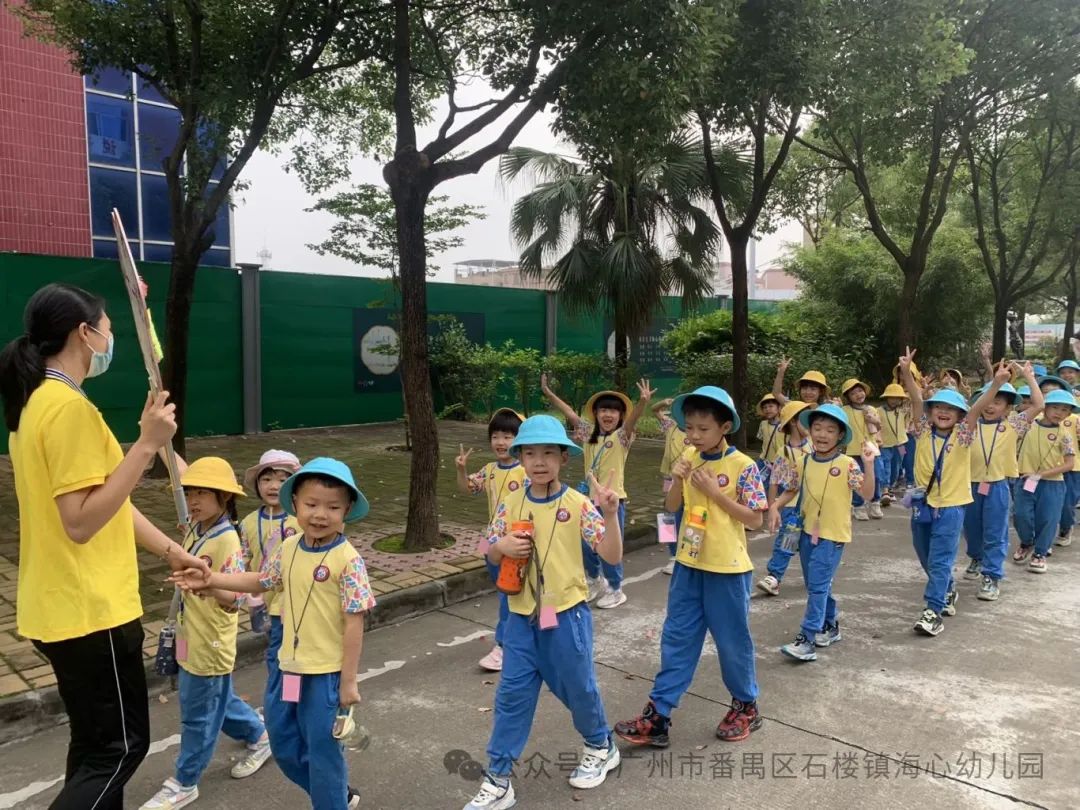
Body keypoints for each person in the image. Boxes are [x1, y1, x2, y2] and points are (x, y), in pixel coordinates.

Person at [0, 283, 211, 809]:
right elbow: (80, 522)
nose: (111, 338)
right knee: (119, 751)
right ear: (84, 334)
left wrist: (169, 549)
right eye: (109, 329)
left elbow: (108, 498)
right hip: (88, 610)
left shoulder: (40, 404)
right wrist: (146, 445)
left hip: (63, 607)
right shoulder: (66, 410)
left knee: (94, 750)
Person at [172, 457, 374, 810]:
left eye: (332, 507)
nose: (320, 515)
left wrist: (348, 681)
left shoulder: (348, 560)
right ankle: (335, 795)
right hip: (288, 670)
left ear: (347, 509)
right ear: (294, 504)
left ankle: (331, 800)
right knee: (283, 743)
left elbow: (355, 622)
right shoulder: (289, 548)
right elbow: (261, 581)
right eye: (311, 504)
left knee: (323, 750)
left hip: (324, 676)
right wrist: (212, 579)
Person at [463, 416, 624, 810]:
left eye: (548, 453)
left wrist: (610, 514)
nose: (538, 461)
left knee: (579, 689)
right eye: (530, 453)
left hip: (567, 618)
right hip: (519, 619)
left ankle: (600, 745)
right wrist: (502, 546)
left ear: (562, 459)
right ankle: (498, 778)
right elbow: (488, 548)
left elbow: (611, 555)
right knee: (512, 698)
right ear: (519, 457)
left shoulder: (577, 503)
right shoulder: (511, 500)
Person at [614, 386, 767, 749]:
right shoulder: (688, 455)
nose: (694, 435)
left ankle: (746, 706)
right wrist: (680, 477)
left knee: (732, 643)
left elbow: (756, 521)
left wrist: (715, 493)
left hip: (727, 569)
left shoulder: (743, 466)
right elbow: (670, 506)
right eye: (690, 428)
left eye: (703, 428)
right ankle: (658, 716)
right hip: (687, 564)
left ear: (724, 427)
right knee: (677, 639)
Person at [142, 457, 271, 810]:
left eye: (203, 493)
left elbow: (235, 598)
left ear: (224, 497)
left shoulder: (226, 539)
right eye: (190, 492)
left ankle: (185, 782)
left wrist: (206, 584)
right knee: (217, 698)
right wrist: (162, 442)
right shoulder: (196, 527)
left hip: (209, 642)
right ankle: (260, 736)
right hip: (190, 635)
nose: (194, 500)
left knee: (198, 715)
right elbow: (179, 465)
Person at [898, 350, 1009, 637]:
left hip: (951, 508)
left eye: (950, 409)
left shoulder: (963, 435)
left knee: (940, 560)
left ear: (960, 415)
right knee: (924, 556)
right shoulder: (922, 430)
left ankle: (933, 611)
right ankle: (947, 588)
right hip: (922, 505)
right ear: (931, 412)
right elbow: (915, 400)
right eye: (938, 407)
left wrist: (995, 384)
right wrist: (908, 373)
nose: (943, 412)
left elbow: (976, 409)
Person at [768, 405, 875, 661]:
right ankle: (830, 625)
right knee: (815, 584)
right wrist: (774, 506)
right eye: (817, 428)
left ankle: (807, 638)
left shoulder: (848, 464)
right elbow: (792, 489)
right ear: (809, 430)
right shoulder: (804, 461)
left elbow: (867, 494)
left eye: (830, 429)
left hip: (833, 536)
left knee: (816, 586)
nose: (822, 434)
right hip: (805, 533)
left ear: (840, 435)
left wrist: (869, 465)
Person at [541, 374, 654, 609]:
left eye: (614, 411)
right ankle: (595, 580)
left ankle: (616, 588)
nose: (608, 415)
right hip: (587, 500)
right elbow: (571, 414)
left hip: (612, 502)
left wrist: (643, 402)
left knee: (610, 545)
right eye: (603, 410)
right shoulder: (588, 434)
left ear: (620, 415)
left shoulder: (621, 437)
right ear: (596, 413)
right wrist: (550, 394)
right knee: (585, 544)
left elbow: (633, 421)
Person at [961, 367, 1041, 603]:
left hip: (996, 486)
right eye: (988, 400)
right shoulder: (970, 423)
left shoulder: (1013, 425)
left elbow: (1038, 405)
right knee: (972, 529)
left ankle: (991, 576)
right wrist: (994, 384)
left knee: (996, 532)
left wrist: (1029, 377)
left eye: (998, 402)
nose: (991, 405)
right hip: (969, 485)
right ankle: (976, 557)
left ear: (1008, 408)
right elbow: (975, 410)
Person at [456, 408, 527, 671]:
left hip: (516, 544)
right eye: (496, 436)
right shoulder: (488, 470)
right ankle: (522, 638)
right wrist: (462, 470)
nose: (500, 442)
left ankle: (504, 646)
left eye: (507, 436)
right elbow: (467, 489)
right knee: (506, 593)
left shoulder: (525, 471)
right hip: (492, 543)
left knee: (508, 597)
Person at [239, 450, 302, 695]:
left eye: (282, 479)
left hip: (293, 603)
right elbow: (243, 558)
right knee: (281, 653)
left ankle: (284, 701)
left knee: (282, 656)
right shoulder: (248, 522)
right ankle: (290, 698)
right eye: (266, 479)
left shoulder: (301, 521)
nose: (274, 486)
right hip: (264, 601)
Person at [1013, 390, 1077, 573]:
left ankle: (1039, 553)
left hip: (1053, 484)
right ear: (1045, 407)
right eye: (1055, 407)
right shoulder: (1028, 425)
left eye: (1064, 410)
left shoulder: (1065, 434)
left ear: (1069, 413)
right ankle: (1026, 542)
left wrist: (1042, 474)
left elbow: (1069, 464)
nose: (1059, 412)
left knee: (1048, 520)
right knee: (1020, 516)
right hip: (1025, 480)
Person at [756, 400, 811, 597]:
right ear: (795, 422)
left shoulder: (816, 445)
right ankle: (775, 576)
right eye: (806, 420)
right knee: (788, 541)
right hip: (792, 507)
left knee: (811, 544)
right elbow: (774, 481)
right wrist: (773, 508)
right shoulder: (784, 452)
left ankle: (814, 575)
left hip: (815, 507)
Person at [653, 397, 691, 575]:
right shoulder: (670, 425)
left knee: (688, 516)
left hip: (690, 481)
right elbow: (655, 410)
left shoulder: (695, 432)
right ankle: (672, 555)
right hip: (670, 477)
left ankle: (687, 554)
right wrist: (665, 402)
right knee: (667, 516)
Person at [840, 379, 884, 521]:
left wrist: (874, 421)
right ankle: (858, 506)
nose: (858, 394)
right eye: (853, 393)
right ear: (848, 397)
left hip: (871, 449)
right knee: (856, 479)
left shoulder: (872, 409)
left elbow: (878, 428)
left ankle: (875, 503)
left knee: (876, 476)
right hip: (853, 450)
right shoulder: (844, 411)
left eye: (860, 391)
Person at [878, 383, 910, 504]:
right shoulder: (878, 411)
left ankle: (890, 486)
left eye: (897, 397)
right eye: (891, 397)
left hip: (901, 443)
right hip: (885, 444)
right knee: (886, 465)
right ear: (886, 397)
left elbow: (917, 400)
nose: (894, 400)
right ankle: (885, 490)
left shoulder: (903, 410)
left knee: (898, 466)